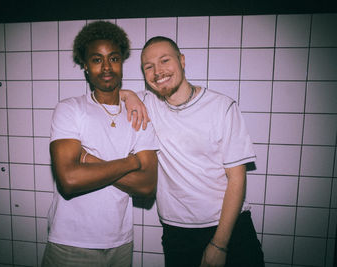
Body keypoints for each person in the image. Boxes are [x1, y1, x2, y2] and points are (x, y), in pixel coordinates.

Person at [121, 36, 264, 267]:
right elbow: (105, 96)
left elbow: (237, 178)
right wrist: (127, 94)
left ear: (182, 61)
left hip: (229, 228)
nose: (158, 71)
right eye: (149, 66)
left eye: (165, 60)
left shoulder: (222, 107)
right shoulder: (147, 103)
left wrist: (220, 244)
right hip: (177, 235)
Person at [41, 21, 158, 267]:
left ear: (122, 63)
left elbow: (147, 185)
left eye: (113, 58)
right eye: (96, 59)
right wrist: (131, 161)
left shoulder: (138, 115)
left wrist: (89, 161)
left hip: (120, 245)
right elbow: (70, 180)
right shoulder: (70, 109)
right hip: (70, 244)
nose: (106, 67)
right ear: (85, 66)